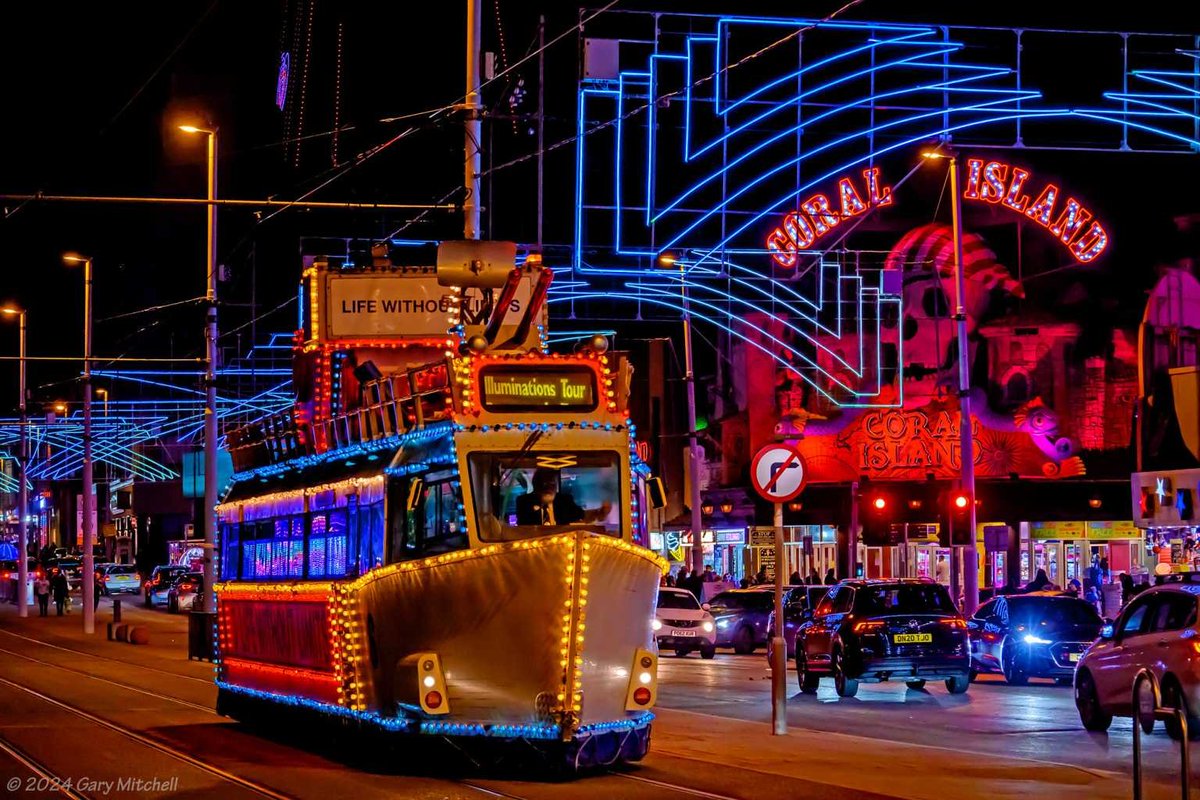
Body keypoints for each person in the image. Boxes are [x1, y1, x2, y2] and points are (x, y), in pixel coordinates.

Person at [515, 468, 611, 526]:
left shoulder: (564, 501)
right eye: (545, 483)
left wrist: (599, 513)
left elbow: (581, 515)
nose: (549, 487)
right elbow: (523, 528)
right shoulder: (524, 502)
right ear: (536, 485)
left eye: (552, 483)